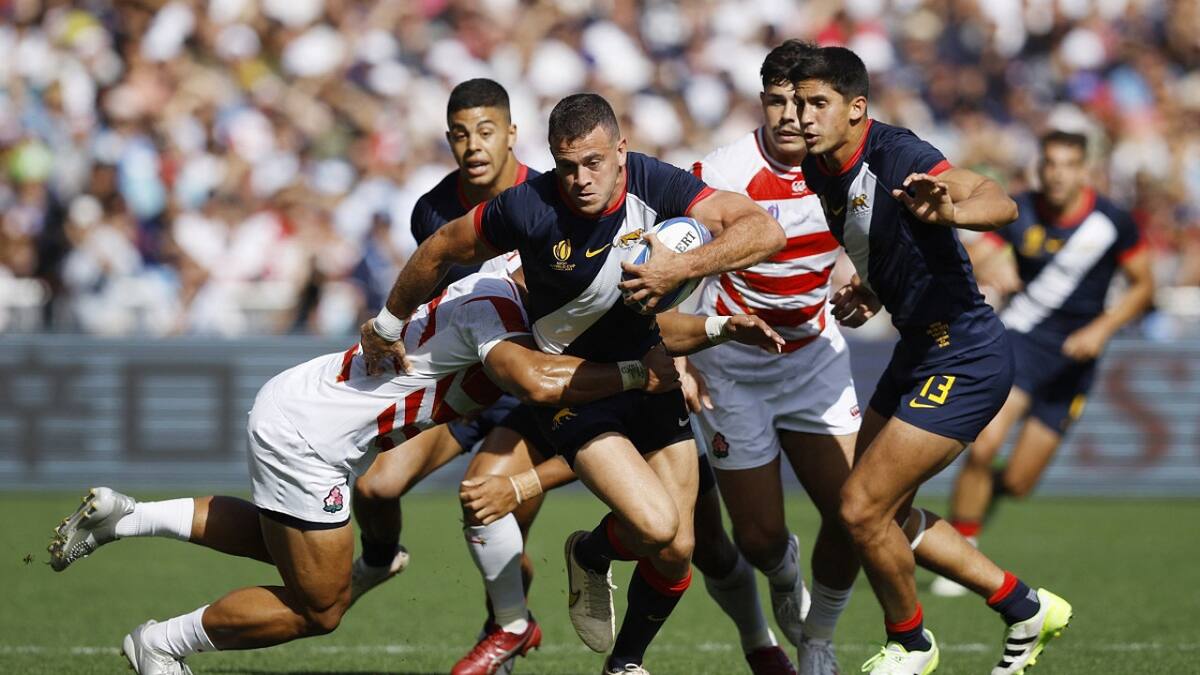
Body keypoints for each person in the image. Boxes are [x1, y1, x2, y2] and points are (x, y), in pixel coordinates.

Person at [48, 266, 781, 675]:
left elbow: (636, 328)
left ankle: (128, 515)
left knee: (287, 549)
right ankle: (163, 645)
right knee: (321, 606)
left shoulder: (513, 289)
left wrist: (711, 329)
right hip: (310, 439)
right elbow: (537, 376)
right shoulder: (498, 313)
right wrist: (638, 375)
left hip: (302, 411)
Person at [360, 92, 785, 674]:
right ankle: (522, 612)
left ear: (621, 151)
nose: (581, 180)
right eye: (566, 166)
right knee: (656, 526)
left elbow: (764, 231)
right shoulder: (527, 208)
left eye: (594, 163)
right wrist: (387, 325)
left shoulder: (658, 185)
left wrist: (682, 273)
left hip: (648, 372)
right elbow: (440, 248)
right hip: (572, 385)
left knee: (681, 546)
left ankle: (623, 654)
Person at [788, 44, 1072, 675]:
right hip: (917, 348)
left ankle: (911, 643)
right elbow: (887, 240)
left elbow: (999, 201)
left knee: (862, 508)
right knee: (876, 511)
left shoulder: (897, 153)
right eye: (795, 103)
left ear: (856, 108)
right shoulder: (819, 169)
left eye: (817, 103)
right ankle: (1024, 606)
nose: (802, 116)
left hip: (965, 354)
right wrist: (872, 286)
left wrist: (955, 210)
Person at [345, 77, 554, 675]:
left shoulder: (548, 198)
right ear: (448, 139)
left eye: (487, 131)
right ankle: (382, 559)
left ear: (512, 134)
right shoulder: (432, 211)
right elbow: (439, 305)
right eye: (462, 134)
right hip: (466, 386)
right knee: (374, 490)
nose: (474, 145)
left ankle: (504, 633)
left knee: (494, 518)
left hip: (532, 388)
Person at [680, 39, 861, 675]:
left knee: (854, 512)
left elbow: (881, 248)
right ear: (761, 102)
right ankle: (785, 577)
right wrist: (679, 350)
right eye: (777, 100)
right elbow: (676, 265)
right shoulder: (722, 171)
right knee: (757, 539)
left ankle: (818, 641)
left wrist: (867, 288)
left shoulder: (846, 167)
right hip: (732, 367)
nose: (791, 115)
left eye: (801, 101)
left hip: (815, 359)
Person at [931, 130, 1153, 597]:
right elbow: (978, 249)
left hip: (1075, 359)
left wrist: (1101, 330)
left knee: (1018, 481)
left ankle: (973, 512)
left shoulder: (1112, 222)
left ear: (1084, 170)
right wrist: (991, 262)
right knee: (985, 445)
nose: (1057, 173)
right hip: (1020, 342)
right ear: (1039, 167)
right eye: (1049, 163)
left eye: (1068, 164)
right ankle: (963, 549)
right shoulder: (1020, 208)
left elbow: (1143, 286)